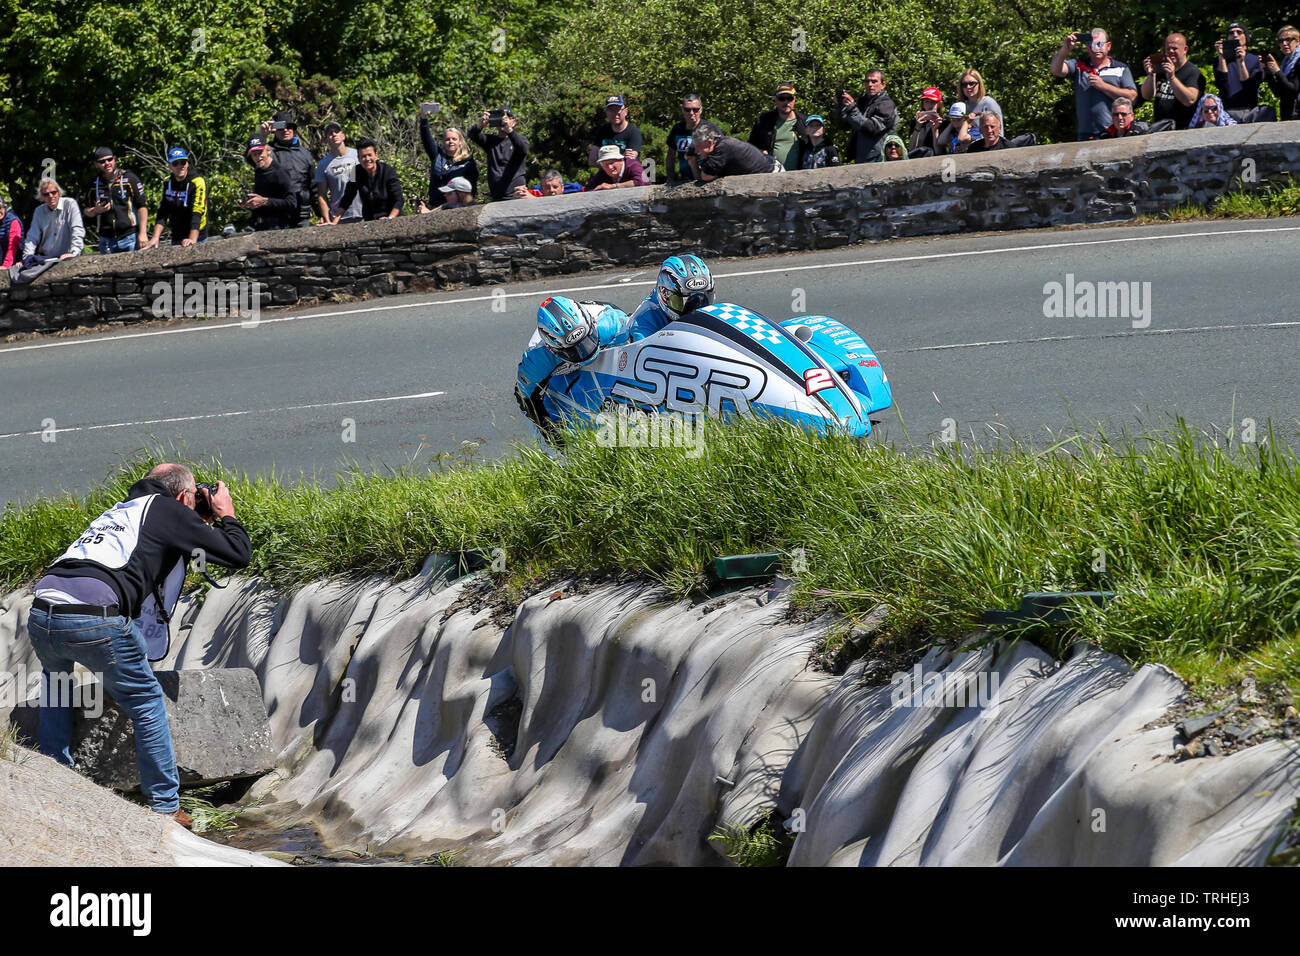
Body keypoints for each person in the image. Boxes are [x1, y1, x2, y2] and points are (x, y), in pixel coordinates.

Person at [26, 463, 251, 829]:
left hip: (42, 611)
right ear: (182, 496)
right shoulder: (167, 509)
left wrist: (195, 519)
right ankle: (165, 807)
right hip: (94, 616)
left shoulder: (123, 509)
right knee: (146, 701)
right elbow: (237, 554)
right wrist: (225, 514)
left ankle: (55, 773)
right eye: (195, 495)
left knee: (58, 683)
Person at [515, 257, 716, 435]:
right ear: (553, 349)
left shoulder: (612, 324)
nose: (586, 350)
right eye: (575, 350)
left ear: (592, 327)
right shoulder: (537, 360)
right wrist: (546, 426)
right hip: (551, 370)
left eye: (588, 341)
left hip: (597, 317)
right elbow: (524, 397)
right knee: (547, 435)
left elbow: (627, 356)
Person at [1051, 29, 1138, 140]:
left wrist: (1104, 86)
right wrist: (1065, 49)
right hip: (1085, 135)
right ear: (1088, 47)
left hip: (1112, 134)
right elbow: (1055, 70)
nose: (1097, 48)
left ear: (1108, 46)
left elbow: (1133, 97)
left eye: (1100, 44)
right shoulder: (1079, 65)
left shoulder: (1120, 68)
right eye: (1093, 44)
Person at [81, 147, 148, 254]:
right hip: (106, 240)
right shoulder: (93, 184)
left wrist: (143, 233)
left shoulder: (129, 178)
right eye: (102, 161)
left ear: (114, 159)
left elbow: (142, 206)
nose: (107, 163)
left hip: (130, 237)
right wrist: (95, 211)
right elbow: (85, 210)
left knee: (133, 270)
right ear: (96, 164)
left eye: (110, 159)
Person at [259, 111, 315, 226]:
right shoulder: (268, 151)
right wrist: (261, 136)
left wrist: (323, 215)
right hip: (276, 215)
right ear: (274, 130)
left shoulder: (305, 153)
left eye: (289, 127)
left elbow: (314, 186)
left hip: (302, 214)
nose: (285, 130)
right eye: (280, 127)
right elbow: (252, 158)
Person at [144, 147, 207, 247]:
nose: (180, 166)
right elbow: (163, 212)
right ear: (170, 166)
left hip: (197, 236)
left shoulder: (197, 182)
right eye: (175, 163)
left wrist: (192, 239)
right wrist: (155, 237)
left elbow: (197, 212)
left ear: (187, 164)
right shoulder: (168, 183)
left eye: (183, 162)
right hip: (177, 236)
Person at [1140, 33, 1205, 130]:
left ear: (1185, 49)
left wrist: (1172, 78)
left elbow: (1190, 100)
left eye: (1174, 48)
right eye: (1168, 49)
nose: (1170, 51)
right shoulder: (1161, 69)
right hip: (1160, 129)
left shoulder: (1193, 72)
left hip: (1184, 130)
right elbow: (1146, 95)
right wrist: (1151, 74)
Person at [419, 108, 479, 208]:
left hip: (457, 207)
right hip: (436, 205)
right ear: (443, 142)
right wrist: (424, 119)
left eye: (454, 139)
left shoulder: (468, 162)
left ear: (460, 141)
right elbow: (426, 139)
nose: (450, 141)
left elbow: (471, 189)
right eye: (447, 139)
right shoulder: (437, 156)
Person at [834, 70, 898, 163]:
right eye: (867, 81)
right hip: (861, 157)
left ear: (883, 85)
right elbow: (843, 125)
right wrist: (840, 106)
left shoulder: (886, 104)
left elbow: (871, 128)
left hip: (880, 158)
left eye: (874, 81)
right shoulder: (861, 102)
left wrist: (852, 109)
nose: (870, 84)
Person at [332, 138, 403, 220]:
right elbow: (347, 198)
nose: (367, 159)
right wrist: (335, 221)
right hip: (370, 220)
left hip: (391, 217)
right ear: (358, 158)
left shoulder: (389, 171)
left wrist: (390, 218)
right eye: (363, 156)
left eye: (370, 155)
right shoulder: (354, 172)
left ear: (376, 155)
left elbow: (399, 200)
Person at [468, 107, 529, 201]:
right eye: (499, 118)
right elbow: (472, 135)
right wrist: (481, 124)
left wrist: (509, 129)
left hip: (517, 195)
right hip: (497, 197)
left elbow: (522, 149)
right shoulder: (491, 142)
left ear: (513, 122)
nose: (502, 122)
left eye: (505, 118)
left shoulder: (521, 140)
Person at [240, 135, 299, 231]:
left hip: (280, 226)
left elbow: (292, 203)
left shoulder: (280, 172)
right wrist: (250, 202)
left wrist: (265, 201)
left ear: (268, 151)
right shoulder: (259, 170)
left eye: (260, 153)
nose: (258, 157)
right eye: (254, 154)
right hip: (261, 224)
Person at [690, 121, 780, 180]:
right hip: (770, 168)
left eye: (698, 146)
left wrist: (694, 161)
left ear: (710, 143)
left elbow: (705, 176)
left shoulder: (722, 148)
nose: (696, 150)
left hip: (773, 175)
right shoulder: (722, 143)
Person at [749, 82, 806, 172]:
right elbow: (751, 147)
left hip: (800, 175)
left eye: (789, 98)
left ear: (794, 99)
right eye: (782, 98)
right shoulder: (763, 121)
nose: (786, 102)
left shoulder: (804, 122)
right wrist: (762, 154)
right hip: (770, 173)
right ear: (775, 100)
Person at [1214, 22, 1266, 121]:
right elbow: (1222, 82)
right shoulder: (1220, 60)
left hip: (1249, 111)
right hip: (1227, 111)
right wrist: (1221, 56)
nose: (1235, 35)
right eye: (1231, 33)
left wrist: (1241, 62)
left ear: (1246, 37)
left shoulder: (1255, 60)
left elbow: (1249, 87)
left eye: (1239, 32)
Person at [23, 178, 84, 259]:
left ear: (58, 192)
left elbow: (77, 229)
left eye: (53, 192)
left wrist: (75, 252)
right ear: (42, 197)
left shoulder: (70, 204)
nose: (50, 196)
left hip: (68, 256)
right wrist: (27, 257)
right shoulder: (39, 211)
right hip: (47, 257)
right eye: (46, 194)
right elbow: (32, 236)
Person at [314, 122, 363, 224]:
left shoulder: (358, 155)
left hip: (363, 212)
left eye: (336, 132)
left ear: (343, 136)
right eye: (330, 133)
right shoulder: (323, 164)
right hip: (339, 217)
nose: (334, 135)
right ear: (326, 140)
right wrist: (327, 219)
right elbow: (321, 195)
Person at [589, 94, 643, 166]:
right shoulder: (602, 130)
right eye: (611, 110)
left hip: (627, 176)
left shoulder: (633, 133)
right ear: (606, 113)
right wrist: (622, 157)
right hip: (605, 174)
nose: (615, 114)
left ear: (626, 112)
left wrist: (605, 161)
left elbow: (630, 162)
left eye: (618, 109)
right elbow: (592, 160)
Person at [1264, 25, 1300, 121]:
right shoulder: (1286, 63)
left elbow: (1293, 90)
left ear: (1297, 41)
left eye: (1288, 40)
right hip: (1287, 114)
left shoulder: (1298, 61)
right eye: (1281, 41)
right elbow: (1279, 93)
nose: (1284, 44)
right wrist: (1268, 73)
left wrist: (1278, 71)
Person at [666, 94, 705, 182]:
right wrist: (670, 178)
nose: (691, 113)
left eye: (695, 109)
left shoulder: (709, 128)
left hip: (706, 177)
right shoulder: (677, 129)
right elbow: (670, 156)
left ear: (701, 109)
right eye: (687, 110)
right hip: (684, 179)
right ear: (683, 110)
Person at [1095, 98, 1172, 137]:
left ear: (1132, 116)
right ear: (1112, 117)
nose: (1119, 117)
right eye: (1116, 114)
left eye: (1123, 114)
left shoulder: (1141, 130)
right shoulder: (1105, 135)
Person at [584, 145, 649, 190]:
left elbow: (642, 182)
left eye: (612, 163)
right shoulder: (603, 171)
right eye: (605, 165)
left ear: (621, 160)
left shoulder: (633, 165)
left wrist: (613, 186)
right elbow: (589, 187)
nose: (610, 167)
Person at [908, 88, 946, 157]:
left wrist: (935, 130)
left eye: (933, 102)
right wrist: (917, 127)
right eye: (927, 102)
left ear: (939, 104)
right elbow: (911, 149)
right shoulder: (915, 123)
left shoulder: (944, 123)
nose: (930, 105)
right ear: (923, 105)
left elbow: (938, 152)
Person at [513, 169, 582, 198]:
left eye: (555, 187)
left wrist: (534, 200)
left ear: (562, 187)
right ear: (541, 189)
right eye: (547, 188)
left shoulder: (574, 190)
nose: (551, 190)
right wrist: (519, 193)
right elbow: (524, 193)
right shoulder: (536, 193)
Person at [0, 196, 23, 267]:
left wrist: (5, 266)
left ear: (4, 207)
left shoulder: (13, 221)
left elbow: (13, 247)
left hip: (14, 263)